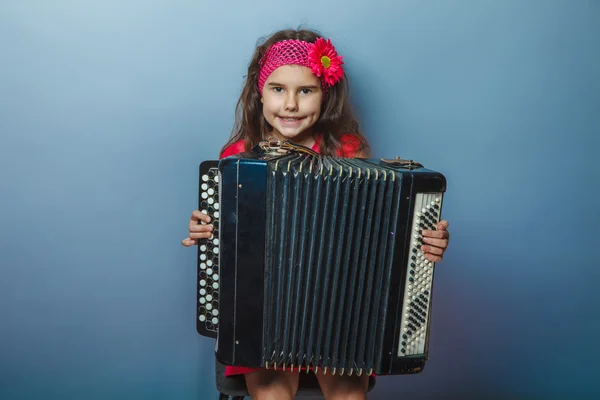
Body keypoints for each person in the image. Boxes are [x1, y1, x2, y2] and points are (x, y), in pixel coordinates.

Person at [182, 28, 451, 400]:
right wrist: (206, 232)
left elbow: (379, 234)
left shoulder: (347, 152)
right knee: (272, 393)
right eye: (278, 89)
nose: (290, 104)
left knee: (347, 393)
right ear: (259, 94)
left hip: (336, 309)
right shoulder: (239, 157)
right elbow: (224, 235)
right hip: (259, 311)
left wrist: (423, 242)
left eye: (305, 90)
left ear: (326, 96)